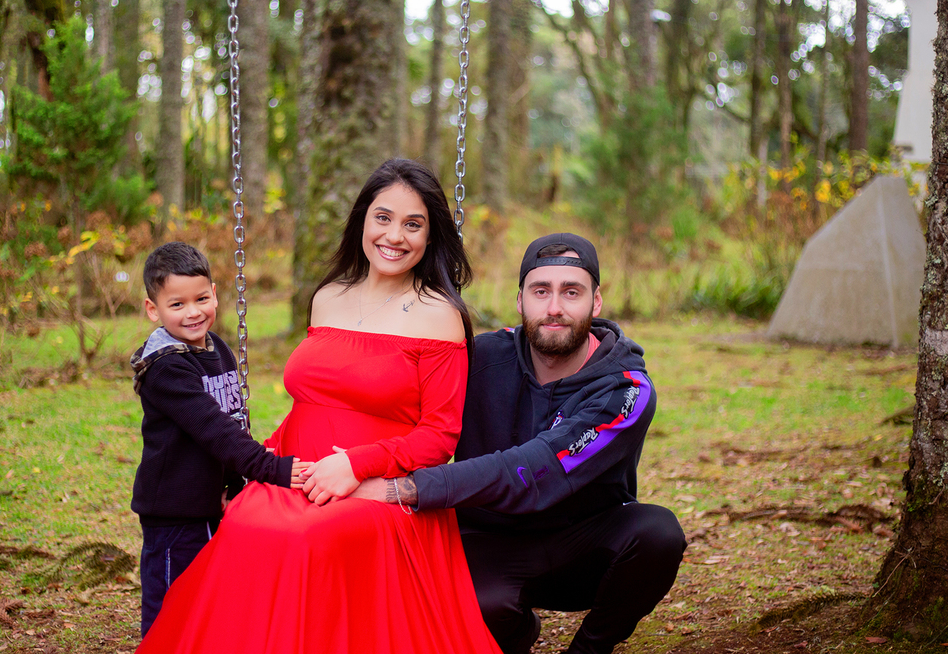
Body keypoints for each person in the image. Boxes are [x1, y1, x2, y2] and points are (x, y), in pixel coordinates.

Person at [137, 159, 503, 654]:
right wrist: (260, 465)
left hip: (379, 486)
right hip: (299, 470)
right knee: (246, 520)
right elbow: (310, 402)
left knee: (309, 538)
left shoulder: (439, 316)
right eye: (383, 217)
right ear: (362, 221)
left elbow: (439, 437)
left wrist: (355, 465)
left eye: (413, 224)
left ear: (431, 235)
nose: (395, 236)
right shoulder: (329, 296)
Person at [354, 232, 686, 654]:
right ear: (520, 300)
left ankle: (590, 649)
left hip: (581, 546)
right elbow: (396, 399)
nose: (554, 308)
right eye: (541, 291)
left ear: (595, 302)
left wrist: (403, 489)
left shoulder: (627, 390)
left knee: (657, 533)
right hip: (488, 542)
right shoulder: (477, 359)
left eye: (571, 292)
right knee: (483, 612)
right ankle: (515, 629)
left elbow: (535, 469)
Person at [131, 241, 309, 636]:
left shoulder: (220, 350)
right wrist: (271, 470)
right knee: (170, 600)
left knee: (205, 592)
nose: (193, 312)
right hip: (173, 511)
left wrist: (233, 484)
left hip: (210, 503)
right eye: (176, 304)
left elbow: (235, 420)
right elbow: (215, 429)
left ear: (214, 294)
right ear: (153, 310)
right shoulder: (165, 368)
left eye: (200, 298)